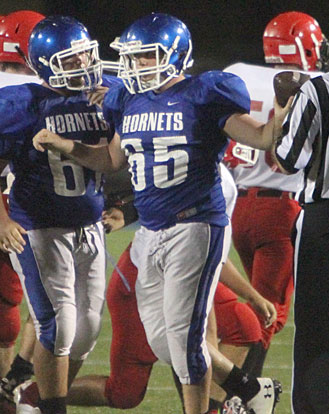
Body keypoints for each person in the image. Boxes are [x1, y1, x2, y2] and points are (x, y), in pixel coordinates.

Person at [32, 13, 289, 414]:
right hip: (151, 231)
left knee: (186, 341)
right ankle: (248, 390)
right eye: (133, 58)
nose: (136, 66)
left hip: (195, 222)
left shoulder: (204, 92)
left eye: (146, 57)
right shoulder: (128, 100)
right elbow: (112, 159)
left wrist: (281, 115)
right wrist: (68, 147)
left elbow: (258, 136)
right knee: (165, 343)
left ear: (173, 56)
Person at [0, 15, 115, 414]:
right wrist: (2, 219)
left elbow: (126, 154)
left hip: (89, 228)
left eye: (86, 55)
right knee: (58, 326)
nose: (84, 65)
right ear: (48, 63)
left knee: (86, 331)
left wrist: (120, 207)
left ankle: (28, 398)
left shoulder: (107, 93)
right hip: (39, 228)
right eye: (72, 59)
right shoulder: (20, 104)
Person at [223, 11, 327, 376]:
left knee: (258, 306)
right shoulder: (314, 83)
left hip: (239, 208)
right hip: (281, 209)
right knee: (266, 313)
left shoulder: (238, 73)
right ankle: (233, 392)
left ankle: (239, 391)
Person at [272, 11, 329, 413]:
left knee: (315, 336)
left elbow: (288, 159)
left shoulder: (318, 91)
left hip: (323, 222)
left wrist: (284, 113)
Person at [0, 10, 45, 409]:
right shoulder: (31, 94)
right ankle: (13, 384)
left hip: (14, 209)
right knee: (46, 307)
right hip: (19, 211)